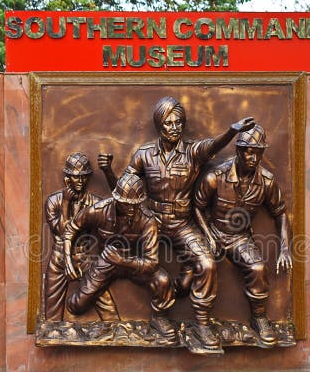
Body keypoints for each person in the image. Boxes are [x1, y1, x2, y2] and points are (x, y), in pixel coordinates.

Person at [102, 97, 255, 353]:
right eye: (168, 123)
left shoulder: (193, 152)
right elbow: (123, 191)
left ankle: (202, 323)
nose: (174, 127)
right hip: (151, 221)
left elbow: (212, 145)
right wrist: (108, 172)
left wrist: (232, 131)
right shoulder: (143, 155)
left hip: (183, 223)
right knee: (150, 268)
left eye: (178, 122)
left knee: (206, 264)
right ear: (159, 124)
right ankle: (160, 316)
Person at [193, 124, 292, 347]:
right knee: (206, 267)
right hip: (214, 232)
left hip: (240, 238)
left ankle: (259, 318)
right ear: (238, 151)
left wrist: (285, 247)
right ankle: (202, 324)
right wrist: (208, 235)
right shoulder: (216, 176)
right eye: (247, 150)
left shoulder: (267, 181)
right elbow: (197, 207)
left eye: (257, 151)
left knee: (258, 268)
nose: (252, 156)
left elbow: (280, 214)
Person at [63, 172, 177, 344]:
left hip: (134, 264)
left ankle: (160, 318)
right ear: (116, 200)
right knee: (76, 306)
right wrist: (68, 260)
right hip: (106, 263)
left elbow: (152, 263)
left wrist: (123, 261)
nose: (131, 209)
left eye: (135, 204)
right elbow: (71, 228)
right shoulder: (99, 210)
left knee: (162, 281)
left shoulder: (148, 221)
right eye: (126, 204)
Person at [43, 152, 117, 322]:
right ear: (67, 178)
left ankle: (116, 330)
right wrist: (66, 204)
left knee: (105, 303)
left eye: (84, 177)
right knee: (51, 309)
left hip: (84, 256)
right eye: (76, 177)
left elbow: (118, 203)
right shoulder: (53, 201)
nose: (81, 181)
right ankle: (54, 331)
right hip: (59, 257)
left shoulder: (94, 202)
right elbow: (62, 232)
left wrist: (107, 171)